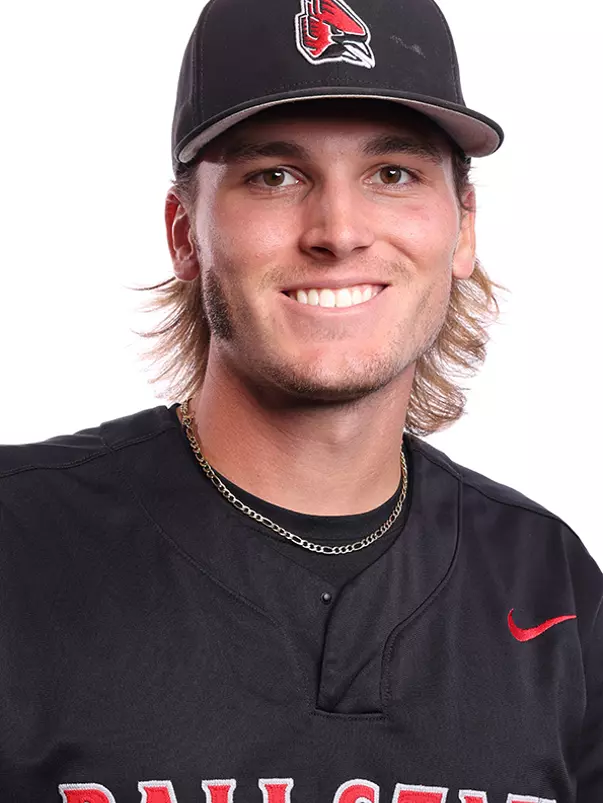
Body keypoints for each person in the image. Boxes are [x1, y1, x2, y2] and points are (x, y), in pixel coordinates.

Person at [0, 0, 600, 800]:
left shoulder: (547, 578)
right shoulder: (19, 539)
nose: (338, 231)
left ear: (462, 228)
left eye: (392, 174)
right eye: (274, 176)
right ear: (184, 234)